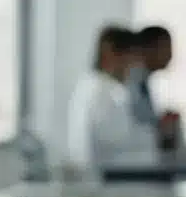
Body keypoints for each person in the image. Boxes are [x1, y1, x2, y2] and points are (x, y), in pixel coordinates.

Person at [66, 26, 160, 171]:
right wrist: (154, 135)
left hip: (107, 178)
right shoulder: (100, 92)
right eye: (132, 58)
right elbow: (118, 139)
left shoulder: (99, 87)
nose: (134, 67)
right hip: (106, 181)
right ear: (112, 54)